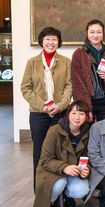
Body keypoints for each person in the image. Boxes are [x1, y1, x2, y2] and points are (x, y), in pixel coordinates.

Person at [21, 26, 72, 190]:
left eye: (54, 39)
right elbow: (26, 88)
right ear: (42, 41)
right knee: (40, 151)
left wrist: (60, 106)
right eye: (48, 39)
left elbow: (69, 87)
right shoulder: (32, 62)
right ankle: (41, 190)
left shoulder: (65, 62)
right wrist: (43, 106)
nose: (51, 42)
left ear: (59, 42)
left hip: (60, 113)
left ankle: (61, 191)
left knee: (61, 151)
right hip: (38, 114)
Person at [31, 100, 91, 207]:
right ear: (68, 114)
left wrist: (86, 169)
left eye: (81, 114)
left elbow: (87, 158)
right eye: (74, 113)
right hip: (52, 172)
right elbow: (45, 160)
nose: (77, 117)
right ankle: (52, 204)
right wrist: (64, 167)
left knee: (82, 189)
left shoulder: (87, 133)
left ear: (87, 116)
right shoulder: (54, 131)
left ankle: (66, 197)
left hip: (73, 172)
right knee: (59, 183)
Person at [71, 19, 105, 123]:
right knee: (87, 133)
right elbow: (78, 83)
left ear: (103, 33)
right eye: (92, 32)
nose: (95, 35)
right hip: (87, 100)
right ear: (86, 33)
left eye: (99, 32)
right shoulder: (79, 54)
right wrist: (86, 108)